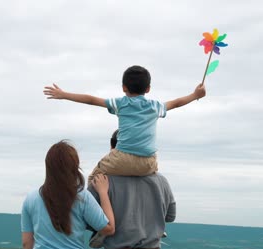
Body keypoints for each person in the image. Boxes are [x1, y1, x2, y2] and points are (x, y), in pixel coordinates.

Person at [43, 65, 206, 181]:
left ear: (123, 87)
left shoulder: (121, 103)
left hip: (121, 159)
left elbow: (91, 99)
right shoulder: (155, 107)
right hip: (149, 163)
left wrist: (64, 94)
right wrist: (195, 94)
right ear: (148, 89)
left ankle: (94, 215)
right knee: (154, 179)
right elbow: (176, 103)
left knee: (94, 178)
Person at [88, 130, 176, 249]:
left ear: (113, 149)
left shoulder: (101, 181)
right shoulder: (161, 181)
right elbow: (170, 216)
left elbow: (88, 220)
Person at [21, 140, 115, 249]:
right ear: (74, 166)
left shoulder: (31, 199)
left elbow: (26, 241)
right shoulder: (82, 197)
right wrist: (103, 192)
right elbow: (109, 228)